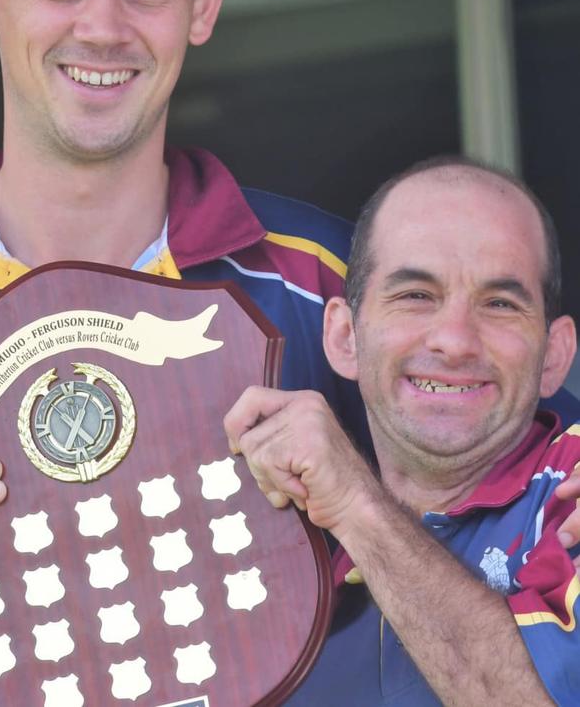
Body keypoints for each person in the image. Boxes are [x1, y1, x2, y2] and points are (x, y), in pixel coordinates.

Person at [0, 0, 362, 541]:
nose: (103, 28)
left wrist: (363, 493)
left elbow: (527, 476)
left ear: (204, 2)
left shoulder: (327, 279)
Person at [225, 158, 580, 706]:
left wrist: (356, 504)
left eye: (500, 303)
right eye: (416, 295)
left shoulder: (572, 495)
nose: (455, 340)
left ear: (554, 356)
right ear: (344, 336)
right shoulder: (278, 574)